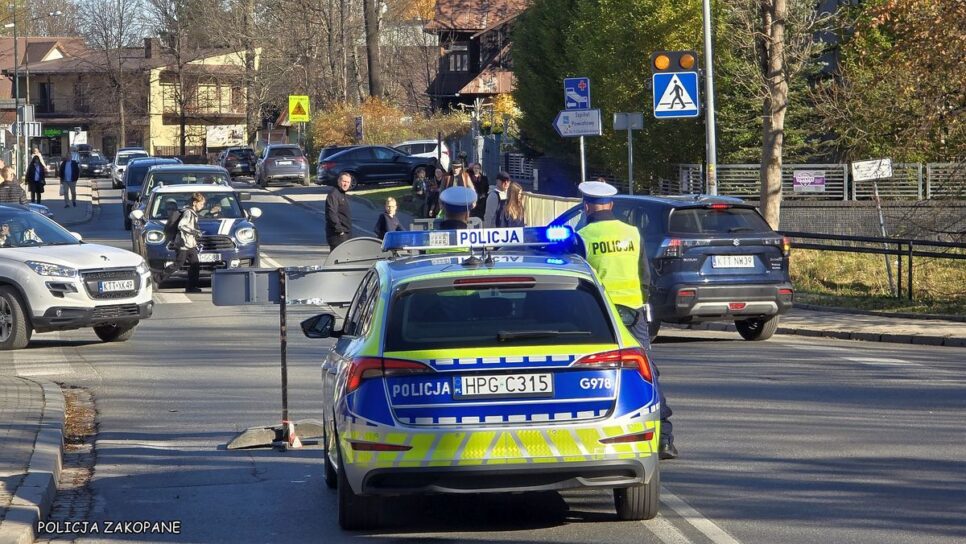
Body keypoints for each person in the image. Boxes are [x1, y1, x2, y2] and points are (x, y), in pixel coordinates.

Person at [575, 180, 677, 460]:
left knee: (594, 373)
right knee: (645, 372)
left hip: (600, 317)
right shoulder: (632, 233)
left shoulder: (582, 236)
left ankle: (595, 436)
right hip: (634, 313)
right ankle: (664, 438)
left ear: (586, 206)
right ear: (611, 204)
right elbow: (645, 276)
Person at [156, 192, 205, 293]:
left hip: (189, 244)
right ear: (195, 203)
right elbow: (181, 225)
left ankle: (191, 287)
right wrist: (195, 232)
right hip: (183, 244)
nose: (202, 206)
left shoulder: (192, 212)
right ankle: (157, 278)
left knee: (195, 264)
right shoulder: (188, 213)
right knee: (178, 263)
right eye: (201, 204)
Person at [325, 172, 352, 250]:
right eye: (344, 181)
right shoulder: (333, 194)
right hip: (337, 235)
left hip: (345, 234)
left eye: (348, 182)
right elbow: (331, 214)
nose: (346, 184)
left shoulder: (342, 194)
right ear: (338, 181)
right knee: (338, 257)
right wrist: (340, 231)